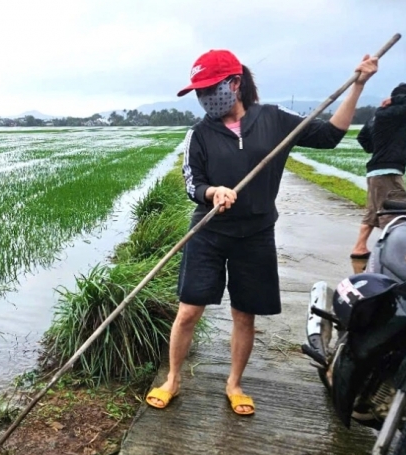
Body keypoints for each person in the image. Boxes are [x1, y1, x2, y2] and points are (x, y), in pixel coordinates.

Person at [144, 49, 379, 415]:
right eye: (199, 92)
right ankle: (172, 378)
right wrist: (213, 192)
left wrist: (358, 87)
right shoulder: (200, 134)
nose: (205, 98)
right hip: (209, 231)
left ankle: (234, 384)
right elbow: (193, 182)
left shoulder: (272, 119)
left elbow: (330, 135)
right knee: (189, 310)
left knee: (244, 313)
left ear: (234, 83)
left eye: (210, 88)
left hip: (255, 234)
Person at [350, 83, 406, 272]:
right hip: (388, 171)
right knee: (395, 216)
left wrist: (379, 149)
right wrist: (398, 100)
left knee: (373, 212)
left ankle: (359, 247)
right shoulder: (392, 113)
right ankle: (396, 261)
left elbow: (362, 138)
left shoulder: (377, 115)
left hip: (375, 171)